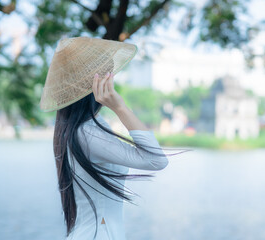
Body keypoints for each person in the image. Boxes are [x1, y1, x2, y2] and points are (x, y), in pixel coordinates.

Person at [42, 37, 190, 240]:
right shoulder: (88, 133)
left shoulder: (84, 127)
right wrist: (119, 106)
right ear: (94, 83)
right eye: (108, 74)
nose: (112, 79)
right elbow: (157, 160)